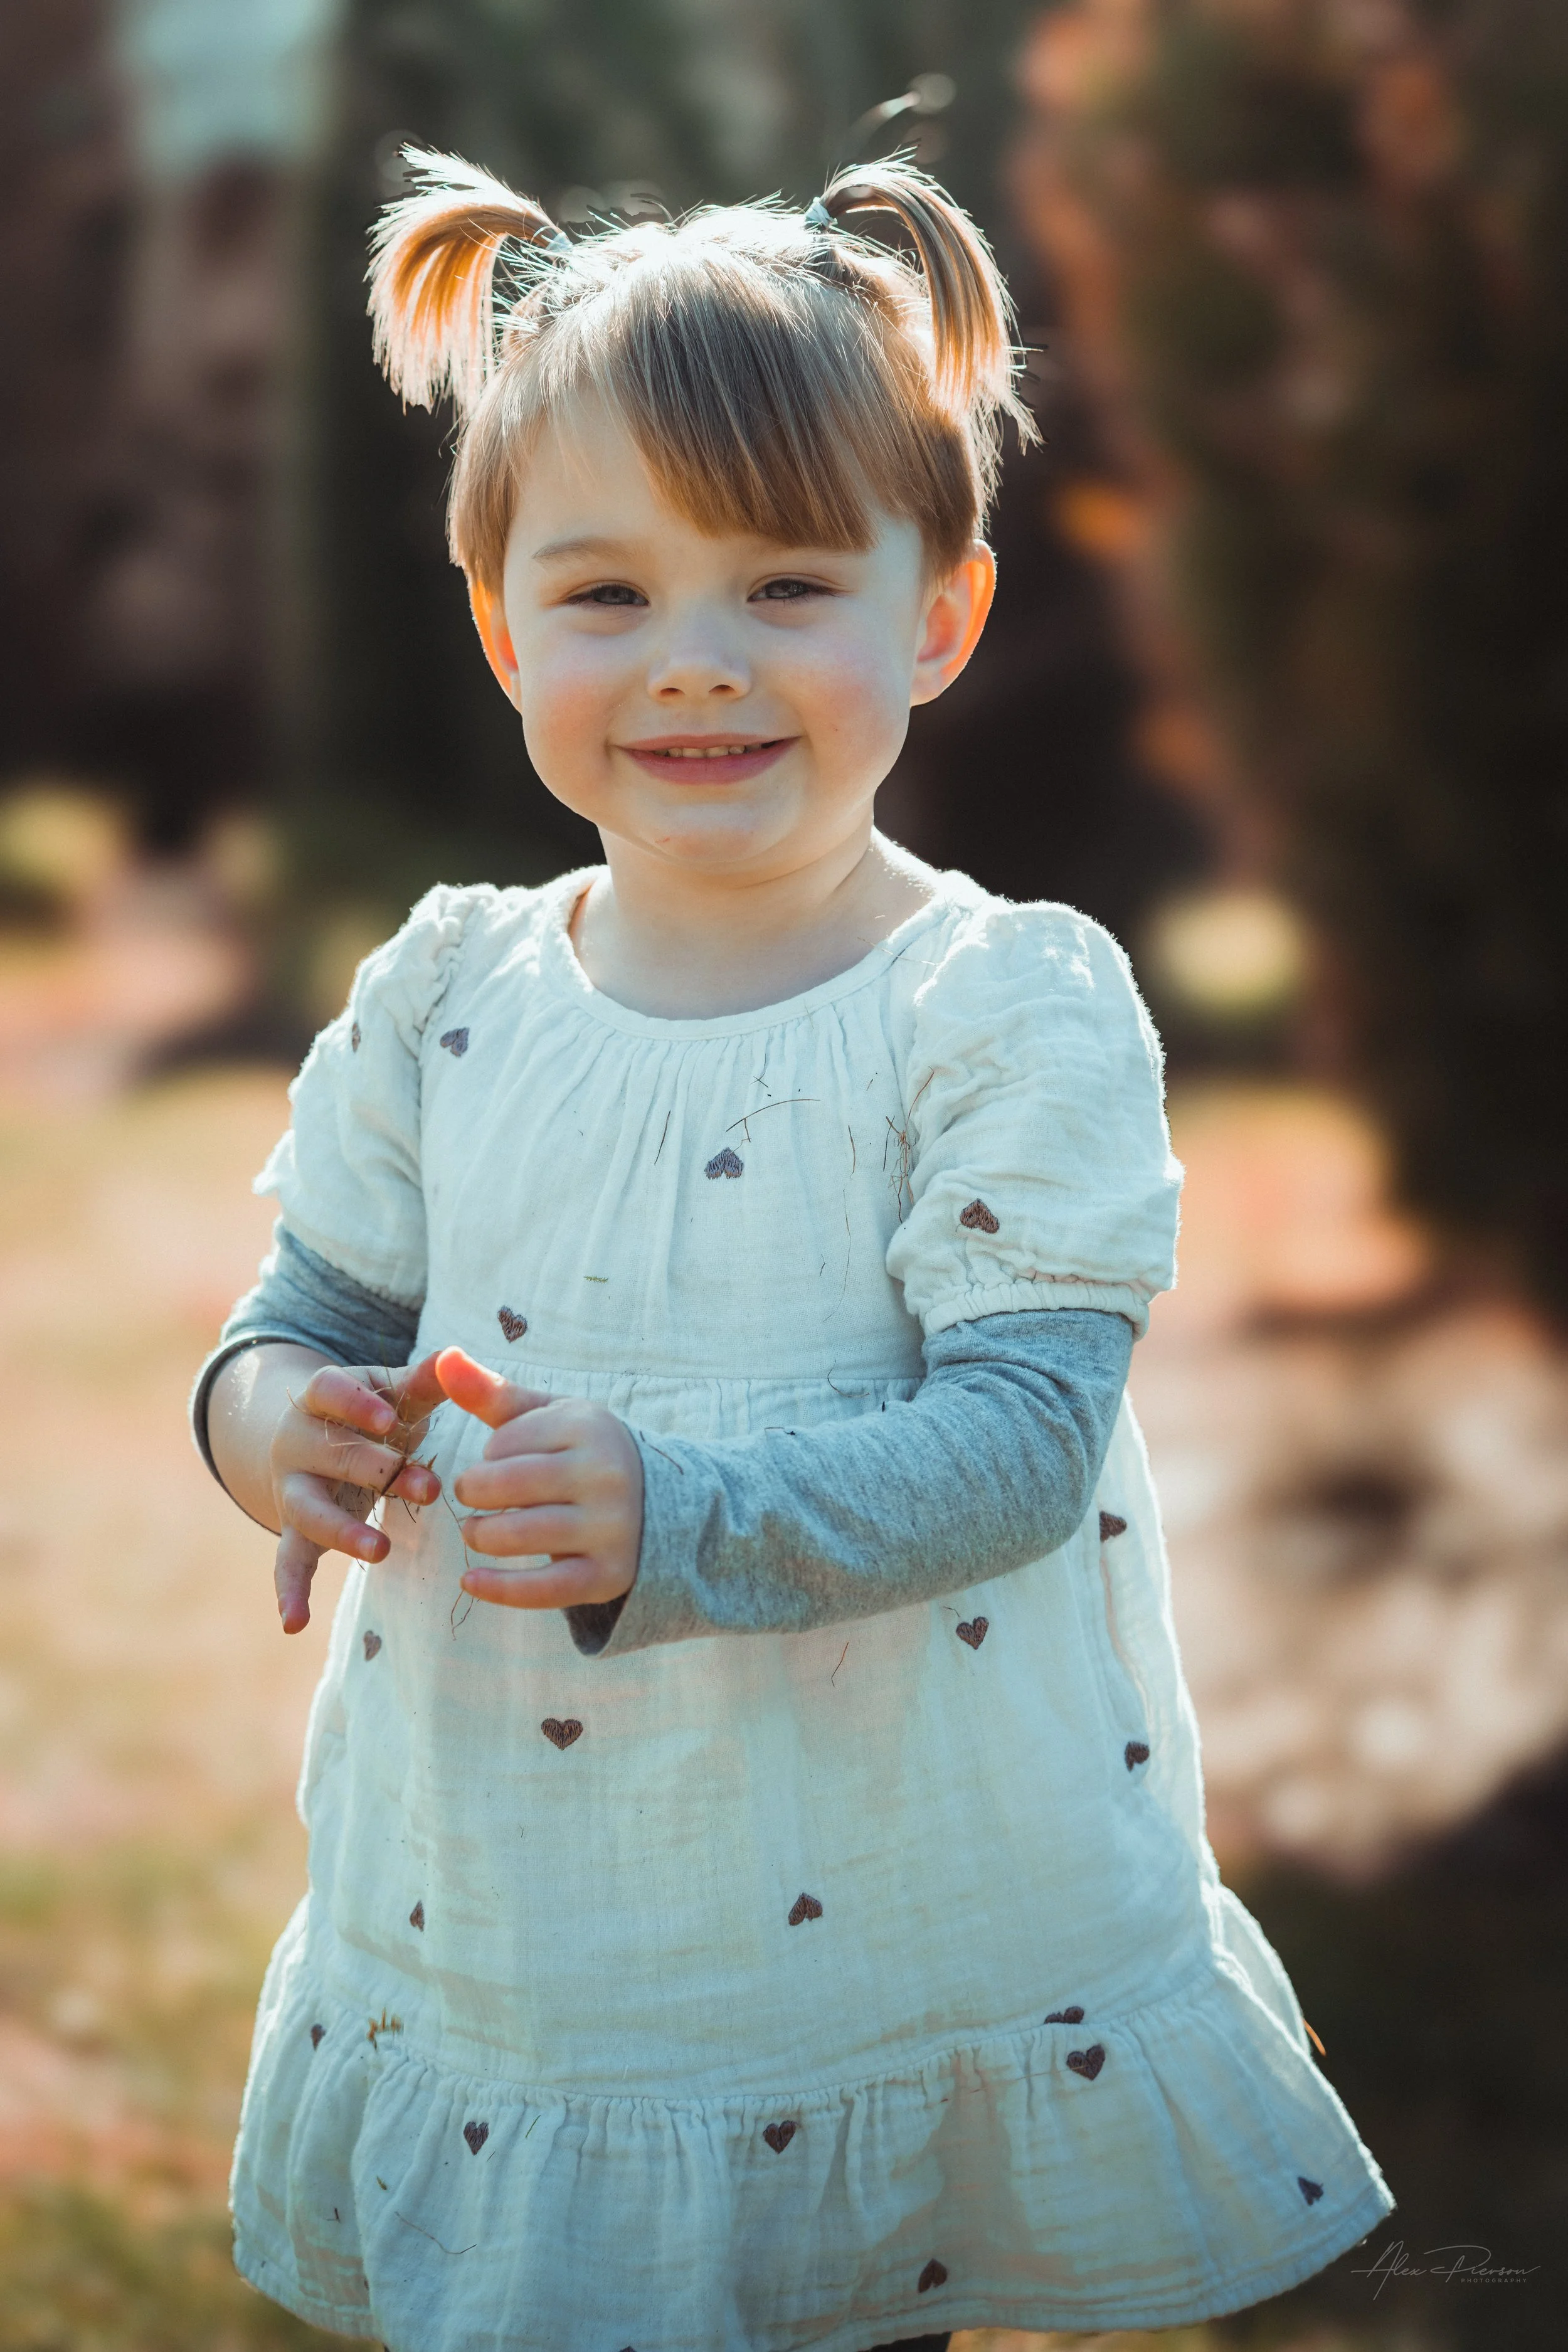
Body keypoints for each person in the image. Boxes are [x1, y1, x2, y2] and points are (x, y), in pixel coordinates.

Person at [194, 147, 1392, 2351]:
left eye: (779, 585)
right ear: (498, 626)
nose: (695, 667)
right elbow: (298, 1321)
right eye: (607, 595)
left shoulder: (995, 1007)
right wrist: (284, 1426)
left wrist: (689, 1508)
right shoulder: (449, 994)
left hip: (876, 1887)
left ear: (934, 612)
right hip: (535, 1901)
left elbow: (1024, 1436)